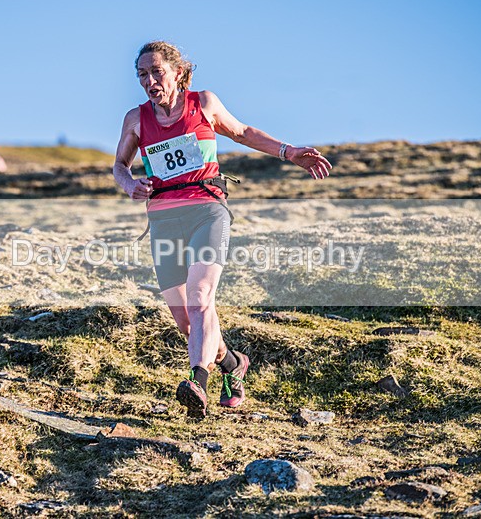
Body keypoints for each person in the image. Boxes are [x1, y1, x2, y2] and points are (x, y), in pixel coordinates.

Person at [112, 41, 332, 418]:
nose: (149, 81)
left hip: (207, 212)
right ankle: (233, 364)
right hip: (163, 220)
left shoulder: (204, 104)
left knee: (200, 297)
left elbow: (243, 132)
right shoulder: (136, 119)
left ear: (178, 73)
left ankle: (198, 382)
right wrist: (130, 184)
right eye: (142, 75)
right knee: (188, 321)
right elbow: (119, 165)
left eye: (156, 72)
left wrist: (289, 152)